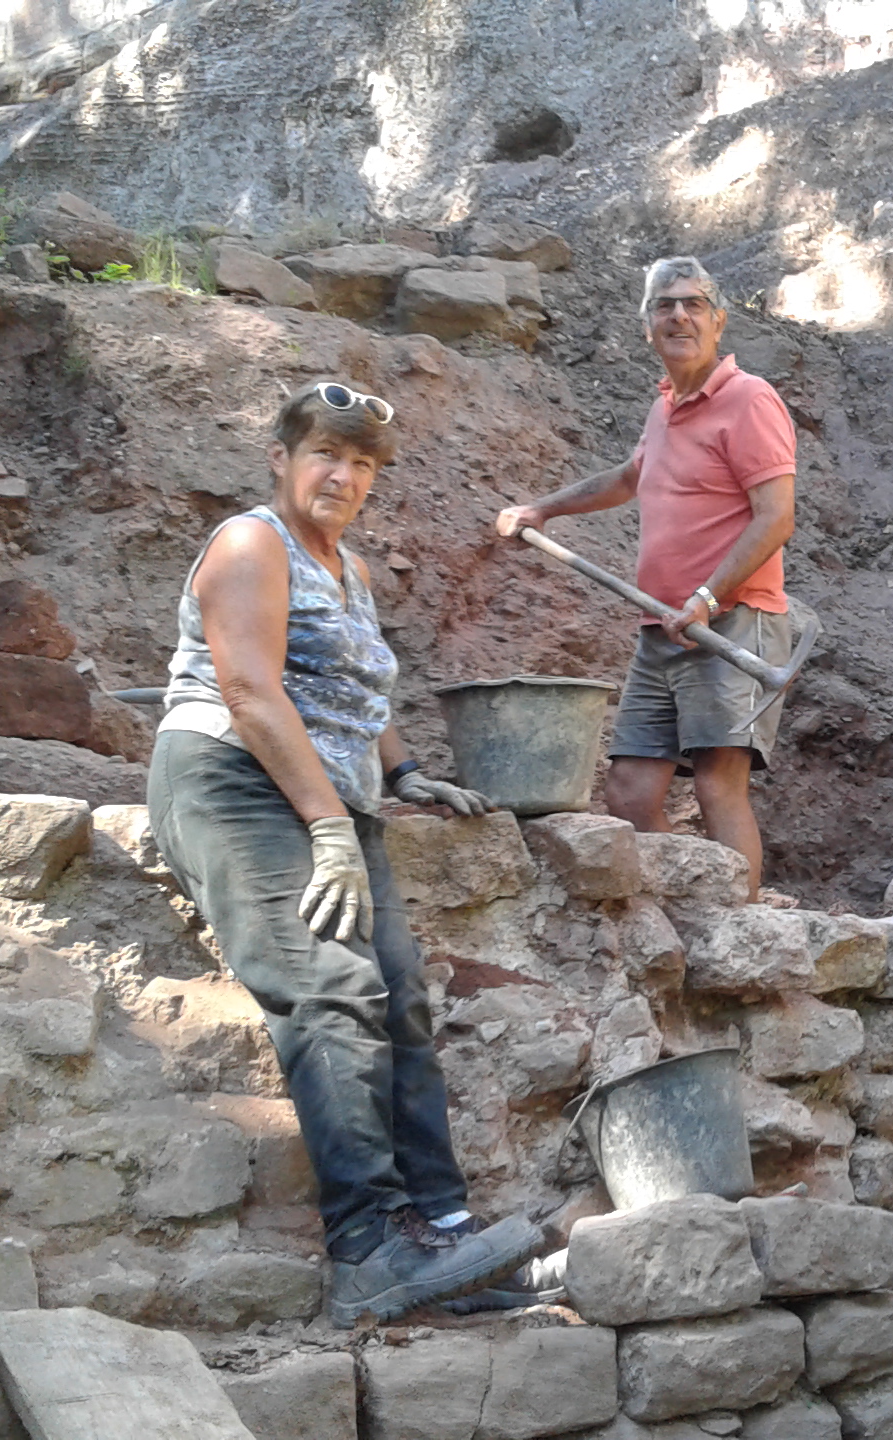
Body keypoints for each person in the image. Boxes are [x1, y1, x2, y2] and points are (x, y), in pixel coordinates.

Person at [149, 381, 547, 1328]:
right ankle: (369, 1246)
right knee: (330, 987)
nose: (344, 475)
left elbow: (356, 694)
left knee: (400, 996)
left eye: (363, 462)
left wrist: (405, 773)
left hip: (333, 795)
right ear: (281, 459)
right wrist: (328, 828)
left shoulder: (349, 570)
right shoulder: (250, 544)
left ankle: (441, 1232)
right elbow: (250, 689)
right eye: (326, 453)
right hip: (235, 780)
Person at [495, 257, 796, 903]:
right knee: (631, 793)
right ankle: (692, 907)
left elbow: (777, 516)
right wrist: (542, 509)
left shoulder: (749, 399)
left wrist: (706, 597)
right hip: (662, 628)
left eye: (694, 304)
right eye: (665, 305)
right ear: (647, 327)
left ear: (719, 322)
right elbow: (628, 478)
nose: (679, 316)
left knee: (717, 785)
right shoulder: (666, 407)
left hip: (732, 622)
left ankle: (744, 926)